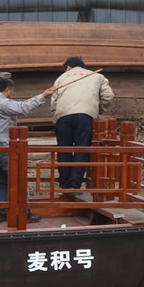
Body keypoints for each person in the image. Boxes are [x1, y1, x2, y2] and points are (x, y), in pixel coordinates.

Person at [0, 76, 53, 222]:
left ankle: (0, 212)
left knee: (4, 181)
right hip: (4, 147)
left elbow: (15, 105)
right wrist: (43, 95)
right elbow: (24, 108)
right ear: (7, 90)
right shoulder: (3, 103)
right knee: (19, 179)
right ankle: (24, 213)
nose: (12, 94)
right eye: (12, 91)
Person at [50, 55, 114, 197]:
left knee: (63, 150)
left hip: (63, 116)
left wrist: (56, 118)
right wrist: (97, 109)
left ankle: (64, 185)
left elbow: (54, 102)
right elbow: (108, 96)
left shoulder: (61, 78)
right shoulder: (97, 76)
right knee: (81, 150)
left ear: (68, 67)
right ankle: (75, 186)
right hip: (85, 115)